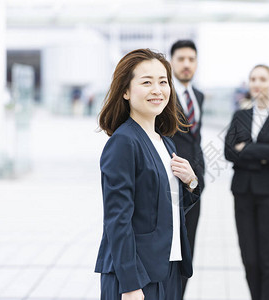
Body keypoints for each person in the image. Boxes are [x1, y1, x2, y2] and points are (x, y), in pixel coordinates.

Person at [94, 48, 201, 300]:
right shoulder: (123, 142)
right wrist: (130, 285)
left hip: (168, 268)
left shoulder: (166, 143)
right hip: (137, 276)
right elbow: (117, 220)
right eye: (147, 82)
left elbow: (165, 208)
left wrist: (191, 183)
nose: (158, 89)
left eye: (163, 82)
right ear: (126, 91)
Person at [224, 65, 269, 300]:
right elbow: (228, 152)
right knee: (249, 259)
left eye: (263, 79)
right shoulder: (239, 116)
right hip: (243, 192)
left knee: (267, 258)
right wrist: (264, 152)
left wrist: (246, 150)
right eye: (253, 79)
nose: (257, 83)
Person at [169, 39, 205, 297]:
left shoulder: (199, 96)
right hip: (169, 185)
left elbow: (195, 139)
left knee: (188, 251)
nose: (186, 64)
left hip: (194, 186)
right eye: (181, 59)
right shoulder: (162, 96)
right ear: (171, 62)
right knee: (168, 252)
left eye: (191, 59)